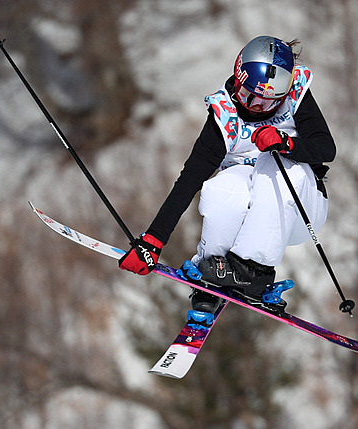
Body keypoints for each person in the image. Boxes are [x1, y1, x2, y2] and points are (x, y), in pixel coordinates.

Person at [119, 35, 335, 327]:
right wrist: (152, 241)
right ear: (238, 79)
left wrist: (286, 143)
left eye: (268, 103)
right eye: (250, 97)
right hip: (254, 213)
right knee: (223, 186)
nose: (257, 107)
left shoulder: (295, 93)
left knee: (273, 162)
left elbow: (326, 148)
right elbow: (189, 180)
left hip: (300, 207)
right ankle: (211, 276)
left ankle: (253, 271)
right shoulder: (225, 116)